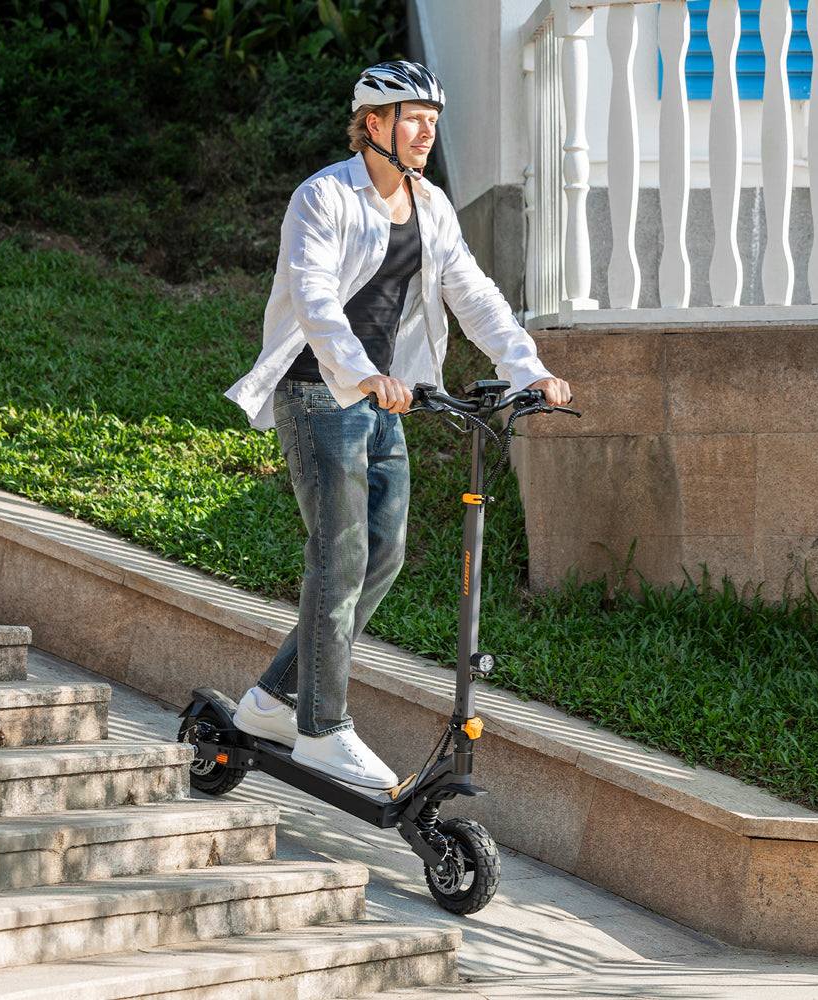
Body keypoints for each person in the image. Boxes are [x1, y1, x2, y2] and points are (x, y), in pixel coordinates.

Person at [224, 60, 571, 790]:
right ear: (374, 124)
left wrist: (526, 368)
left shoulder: (432, 204)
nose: (426, 133)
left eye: (434, 122)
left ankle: (271, 700)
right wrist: (361, 373)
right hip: (321, 392)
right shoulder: (323, 196)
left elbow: (471, 292)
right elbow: (315, 301)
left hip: (385, 401)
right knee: (341, 555)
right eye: (414, 119)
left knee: (382, 557)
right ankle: (322, 728)